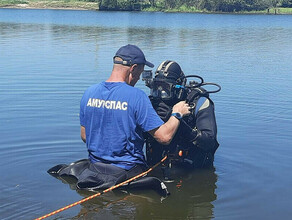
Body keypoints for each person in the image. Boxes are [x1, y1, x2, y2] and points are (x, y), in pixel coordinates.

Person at [48, 45, 190, 192]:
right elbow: (165, 137)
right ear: (133, 68)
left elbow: (85, 136)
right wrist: (177, 113)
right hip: (128, 171)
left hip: (95, 168)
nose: (137, 80)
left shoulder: (89, 93)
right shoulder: (137, 96)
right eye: (139, 73)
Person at [145, 60, 219, 173]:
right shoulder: (152, 104)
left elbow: (209, 141)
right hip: (156, 168)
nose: (160, 94)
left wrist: (176, 120)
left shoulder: (199, 103)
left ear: (178, 89)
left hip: (192, 172)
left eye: (165, 89)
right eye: (156, 88)